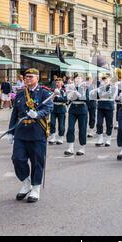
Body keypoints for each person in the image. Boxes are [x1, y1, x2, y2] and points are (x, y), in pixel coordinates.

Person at [7, 68, 54, 203]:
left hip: (37, 132)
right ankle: (26, 183)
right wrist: (11, 131)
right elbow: (15, 113)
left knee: (37, 162)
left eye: (30, 77)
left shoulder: (45, 93)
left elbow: (48, 108)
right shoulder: (21, 94)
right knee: (17, 159)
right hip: (21, 132)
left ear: (37, 78)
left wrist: (37, 114)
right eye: (26, 77)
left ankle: (36, 188)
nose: (27, 79)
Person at [65, 74, 89, 156]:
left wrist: (78, 94)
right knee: (70, 128)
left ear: (82, 79)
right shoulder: (71, 87)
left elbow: (88, 99)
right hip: (73, 108)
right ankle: (70, 147)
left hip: (82, 108)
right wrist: (70, 94)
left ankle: (82, 147)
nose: (78, 79)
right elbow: (67, 99)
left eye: (79, 78)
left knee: (82, 129)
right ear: (74, 79)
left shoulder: (85, 87)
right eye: (76, 78)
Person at [93, 73, 117, 147]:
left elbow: (112, 96)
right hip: (100, 107)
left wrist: (102, 93)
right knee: (99, 123)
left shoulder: (113, 87)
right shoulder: (100, 87)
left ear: (110, 80)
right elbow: (96, 96)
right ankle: (100, 139)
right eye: (103, 80)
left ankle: (108, 139)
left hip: (109, 107)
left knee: (109, 124)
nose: (105, 81)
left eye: (106, 79)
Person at [48, 78, 67, 145]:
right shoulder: (53, 90)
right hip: (54, 108)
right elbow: (49, 99)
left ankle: (60, 138)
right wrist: (53, 96)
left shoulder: (64, 91)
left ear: (62, 83)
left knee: (61, 124)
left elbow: (65, 100)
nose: (57, 83)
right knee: (52, 123)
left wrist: (58, 96)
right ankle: (53, 137)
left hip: (61, 108)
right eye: (56, 82)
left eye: (59, 82)